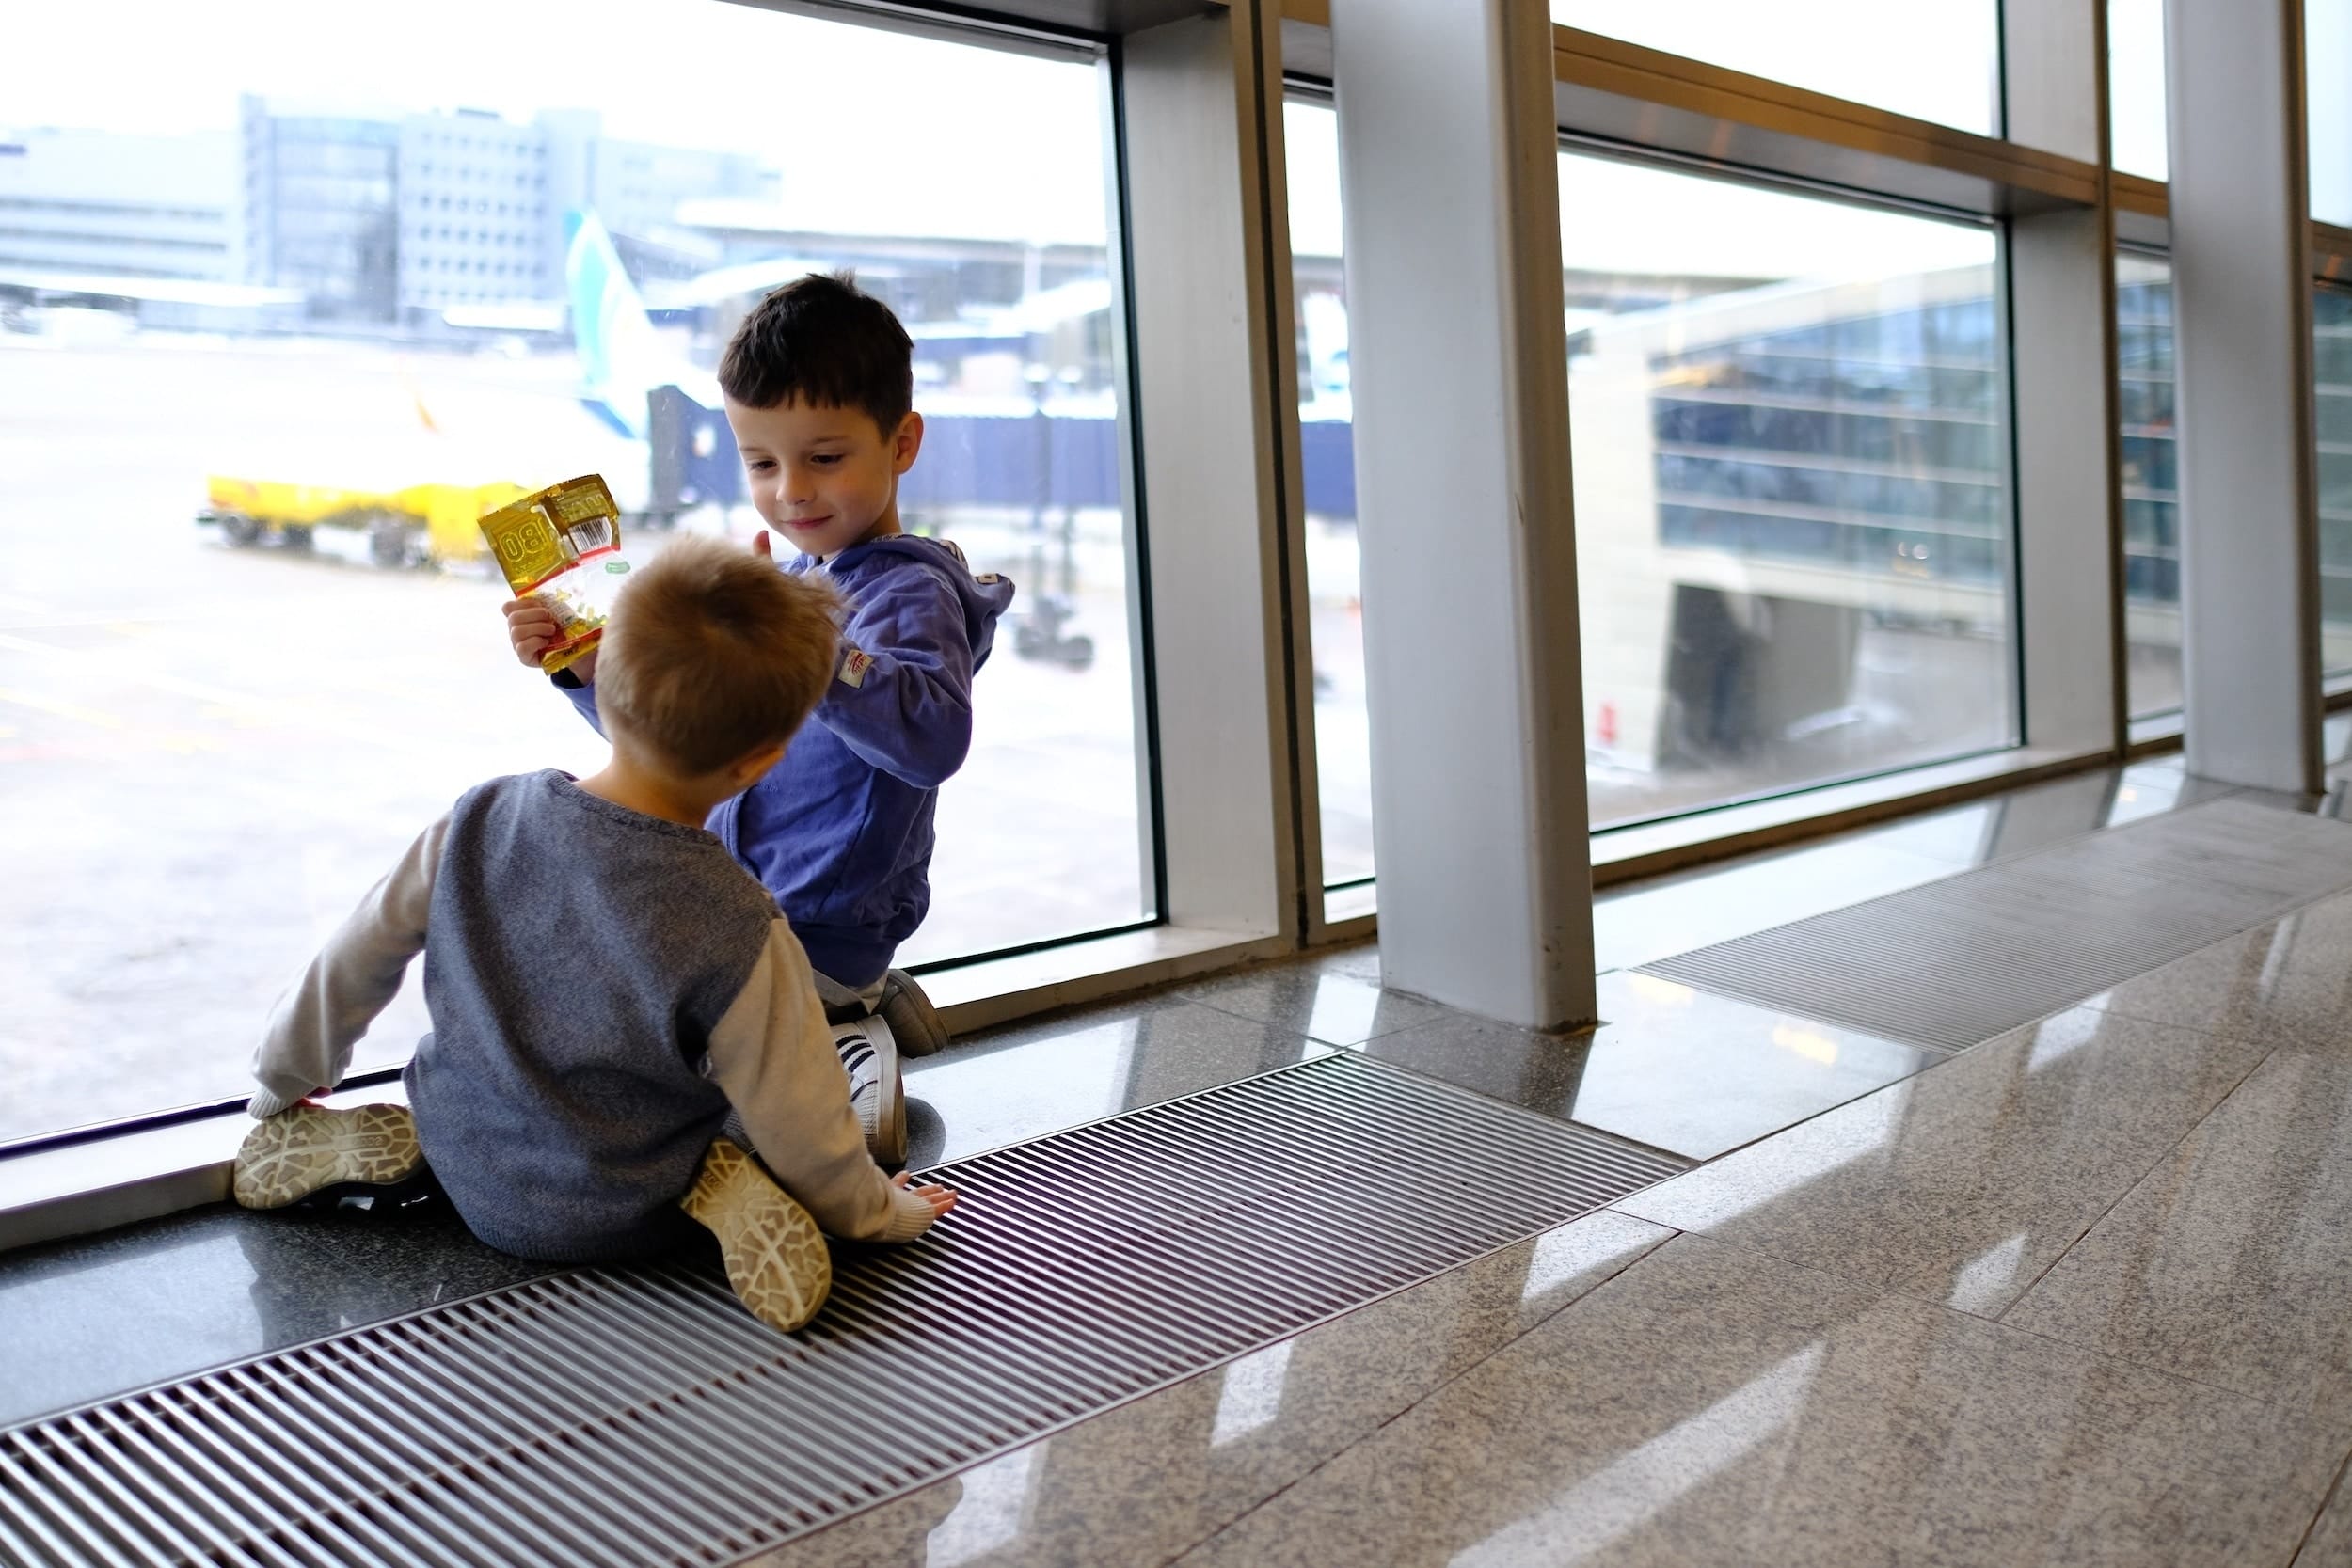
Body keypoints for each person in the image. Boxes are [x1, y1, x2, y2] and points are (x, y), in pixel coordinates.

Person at [232, 536, 954, 1335]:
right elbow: (805, 1111)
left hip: (466, 1168)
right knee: (751, 1110)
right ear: (760, 762)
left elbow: (356, 955)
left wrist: (284, 1070)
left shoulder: (479, 818)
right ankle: (723, 1181)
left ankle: (423, 1141)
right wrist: (873, 1211)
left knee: (462, 1092)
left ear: (602, 674)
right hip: (630, 1204)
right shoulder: (741, 920)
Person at [506, 271, 1015, 1164]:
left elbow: (934, 741)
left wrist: (817, 641)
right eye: (761, 462)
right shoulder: (802, 587)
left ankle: (840, 1051)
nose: (791, 492)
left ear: (902, 443)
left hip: (802, 931)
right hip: (758, 915)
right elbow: (691, 752)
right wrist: (586, 672)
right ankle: (844, 1018)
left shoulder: (907, 595)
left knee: (633, 1062)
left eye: (825, 457)